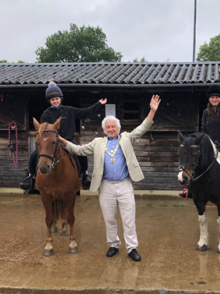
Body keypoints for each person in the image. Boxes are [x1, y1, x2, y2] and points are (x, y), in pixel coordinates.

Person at [59, 95, 161, 262]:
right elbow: (79, 150)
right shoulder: (98, 142)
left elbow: (142, 128)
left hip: (124, 185)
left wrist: (152, 111)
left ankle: (131, 248)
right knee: (109, 219)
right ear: (104, 129)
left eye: (113, 126)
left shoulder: (127, 138)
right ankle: (113, 244)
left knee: (128, 219)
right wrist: (62, 141)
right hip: (105, 186)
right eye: (108, 127)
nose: (111, 129)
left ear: (118, 128)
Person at [20, 81, 107, 192]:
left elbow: (85, 112)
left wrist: (98, 104)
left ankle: (85, 176)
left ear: (61, 98)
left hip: (68, 141)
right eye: (52, 100)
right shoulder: (46, 114)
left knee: (81, 153)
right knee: (34, 155)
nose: (55, 101)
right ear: (49, 101)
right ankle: (31, 178)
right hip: (52, 142)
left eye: (57, 98)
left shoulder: (69, 110)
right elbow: (43, 131)